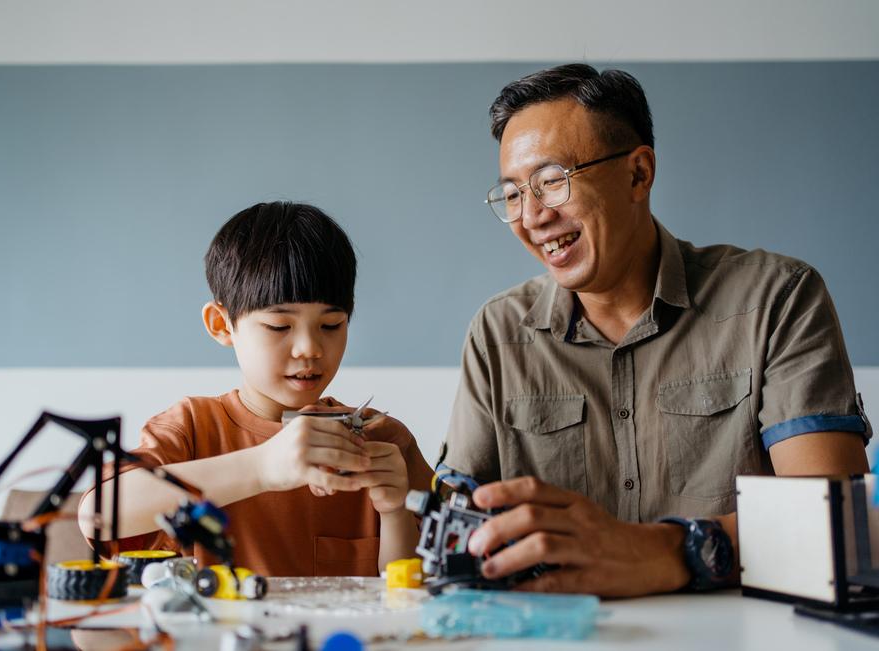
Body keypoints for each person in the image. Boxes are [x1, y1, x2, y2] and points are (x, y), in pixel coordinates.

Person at [442, 64, 871, 597]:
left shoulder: (776, 299)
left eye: (551, 181)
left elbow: (835, 526)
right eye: (511, 194)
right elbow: (456, 530)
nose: (531, 217)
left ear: (638, 174)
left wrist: (667, 552)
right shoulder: (497, 332)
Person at [78, 201, 432, 576]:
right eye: (279, 326)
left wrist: (395, 513)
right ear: (221, 324)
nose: (310, 348)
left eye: (331, 325)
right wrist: (262, 466)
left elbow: (422, 596)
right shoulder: (192, 428)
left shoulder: (383, 441)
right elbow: (99, 515)